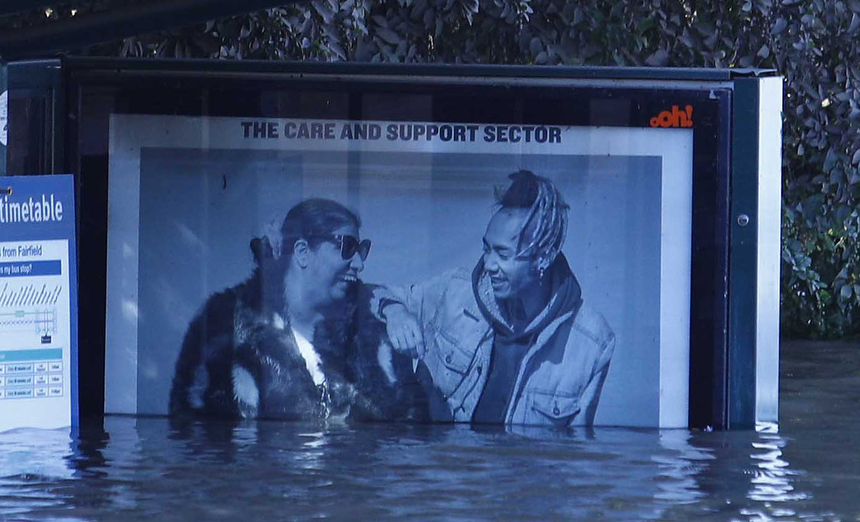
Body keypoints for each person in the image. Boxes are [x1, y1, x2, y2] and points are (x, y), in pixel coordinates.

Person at [167, 198, 438, 423]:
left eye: (362, 249)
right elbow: (193, 436)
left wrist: (393, 309)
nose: (359, 263)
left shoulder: (374, 331)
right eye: (347, 247)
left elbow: (412, 433)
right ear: (302, 252)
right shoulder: (222, 325)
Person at [395, 170, 613, 430]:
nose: (488, 264)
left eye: (502, 254)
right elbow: (379, 295)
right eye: (487, 248)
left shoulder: (593, 343)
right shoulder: (454, 290)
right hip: (440, 466)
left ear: (543, 258)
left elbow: (573, 452)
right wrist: (395, 312)